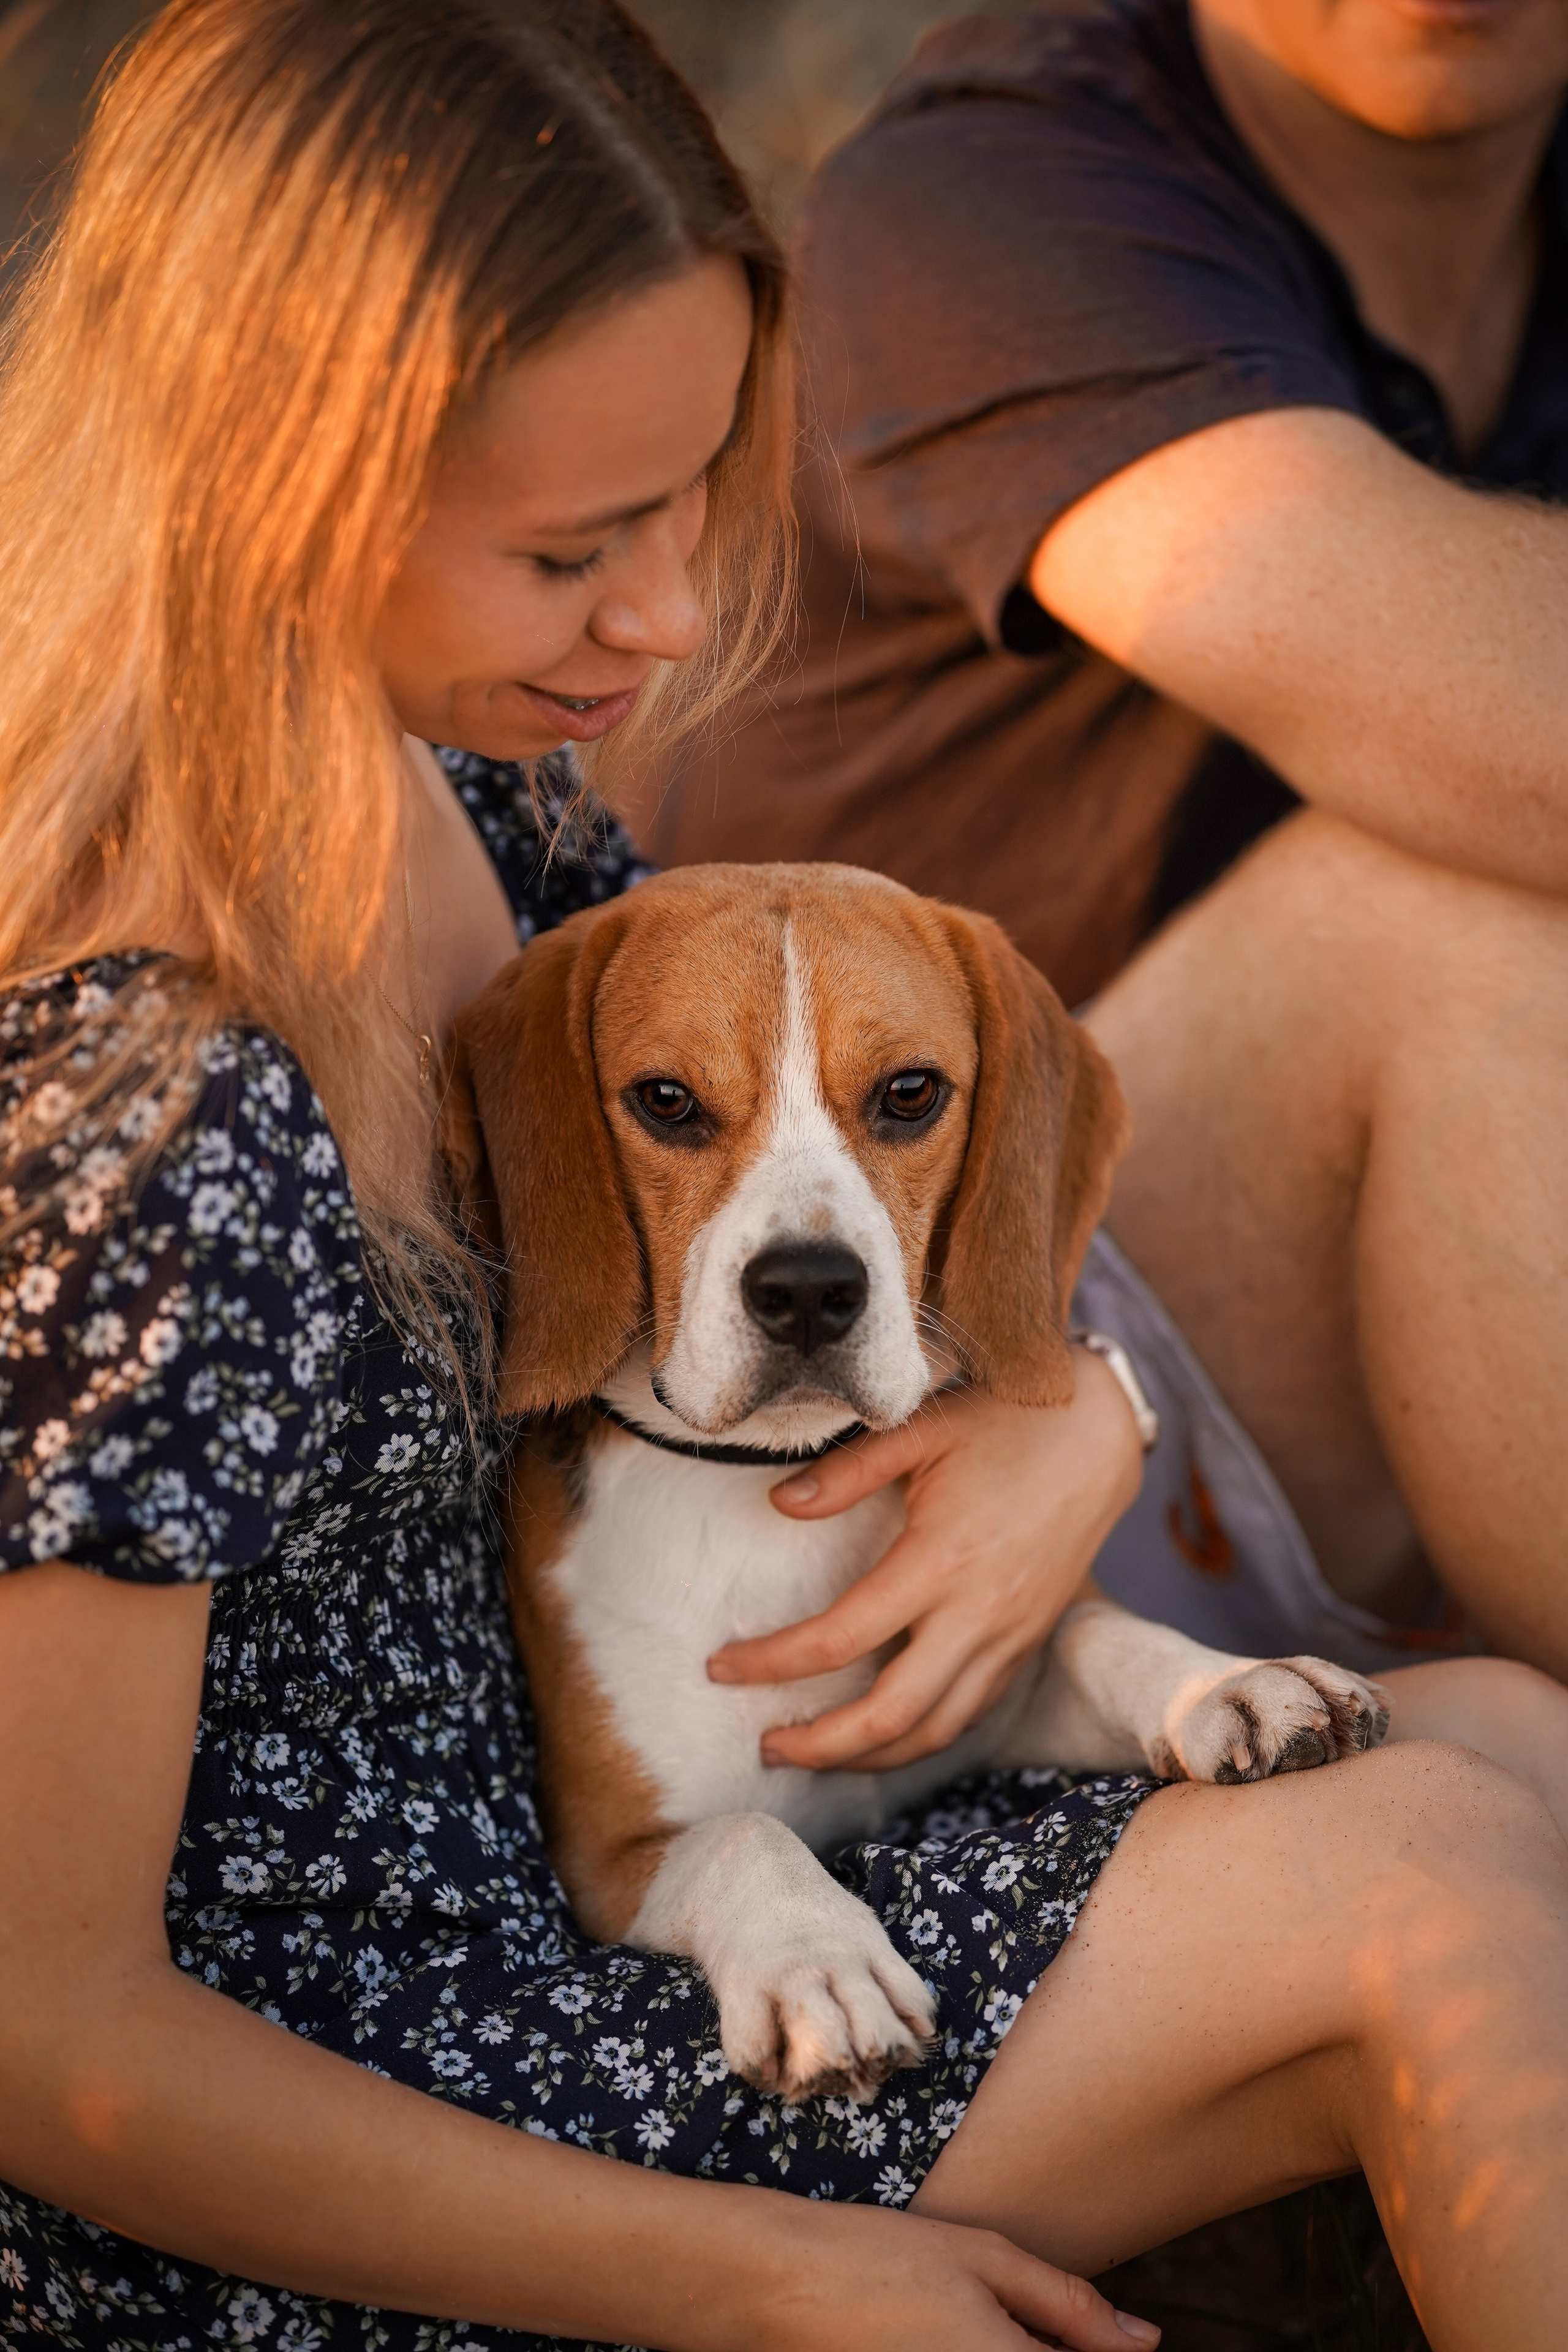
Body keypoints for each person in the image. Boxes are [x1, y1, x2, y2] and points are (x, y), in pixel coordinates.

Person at [4, 6, 1568, 2350]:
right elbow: (59, 2055)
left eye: (696, 499)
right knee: (1429, 1865)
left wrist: (1075, 1407)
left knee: (1516, 1740)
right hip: (410, 2116)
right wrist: (772, 2280)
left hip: (662, 1862)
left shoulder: (485, 811)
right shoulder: (148, 1111)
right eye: (573, 545)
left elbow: (821, 1235)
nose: (659, 620)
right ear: (271, 482)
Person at [624, 0, 1568, 1720]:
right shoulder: (990, 199)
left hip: (1302, 1345)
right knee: (1452, 915)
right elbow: (1527, 730)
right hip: (887, 1390)